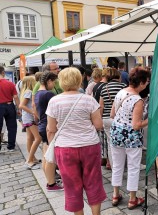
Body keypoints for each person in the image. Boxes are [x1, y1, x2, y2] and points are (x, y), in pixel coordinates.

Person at [46, 67, 106, 214]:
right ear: (79, 80)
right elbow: (99, 125)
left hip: (65, 148)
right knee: (94, 182)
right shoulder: (88, 100)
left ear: (61, 81)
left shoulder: (54, 101)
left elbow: (51, 128)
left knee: (71, 185)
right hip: (90, 146)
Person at [109, 67, 150, 210]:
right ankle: (132, 199)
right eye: (147, 81)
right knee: (133, 167)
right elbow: (137, 125)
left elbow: (112, 114)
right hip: (131, 138)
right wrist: (150, 120)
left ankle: (115, 194)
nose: (147, 84)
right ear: (142, 82)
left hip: (116, 133)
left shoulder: (120, 92)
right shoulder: (137, 100)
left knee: (117, 165)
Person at [34, 72, 63, 191]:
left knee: (46, 155)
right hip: (48, 126)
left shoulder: (37, 93)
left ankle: (49, 181)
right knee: (50, 157)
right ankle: (51, 183)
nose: (54, 85)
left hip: (42, 124)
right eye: (54, 82)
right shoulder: (48, 94)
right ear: (49, 81)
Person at [99, 68, 126, 169]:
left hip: (106, 118)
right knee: (123, 143)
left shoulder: (104, 88)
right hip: (120, 118)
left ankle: (115, 167)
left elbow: (101, 106)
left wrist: (100, 119)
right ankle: (122, 165)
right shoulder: (123, 87)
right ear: (118, 77)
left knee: (111, 144)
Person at [19, 76, 42, 169]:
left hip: (27, 118)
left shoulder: (25, 92)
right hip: (30, 118)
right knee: (38, 138)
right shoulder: (29, 92)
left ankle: (32, 158)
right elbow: (22, 105)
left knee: (30, 138)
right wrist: (33, 113)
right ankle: (29, 160)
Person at [0, 66, 21, 151]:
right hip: (9, 105)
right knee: (12, 126)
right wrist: (19, 109)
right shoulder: (10, 83)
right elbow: (15, 97)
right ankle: (11, 146)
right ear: (3, 73)